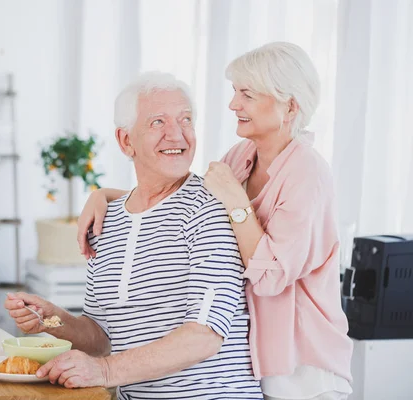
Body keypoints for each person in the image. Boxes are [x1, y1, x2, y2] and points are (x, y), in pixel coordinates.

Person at [77, 42, 353, 400]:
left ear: (290, 106)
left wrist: (238, 203)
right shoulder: (242, 157)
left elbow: (270, 278)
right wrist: (107, 196)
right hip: (261, 360)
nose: (233, 104)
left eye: (247, 94)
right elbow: (176, 183)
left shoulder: (308, 174)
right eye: (235, 92)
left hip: (304, 367)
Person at [5, 72, 262, 399]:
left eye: (186, 119)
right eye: (158, 122)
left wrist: (105, 370)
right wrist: (52, 320)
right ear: (126, 141)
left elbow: (204, 334)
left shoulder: (209, 208)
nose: (176, 134)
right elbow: (103, 336)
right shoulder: (106, 220)